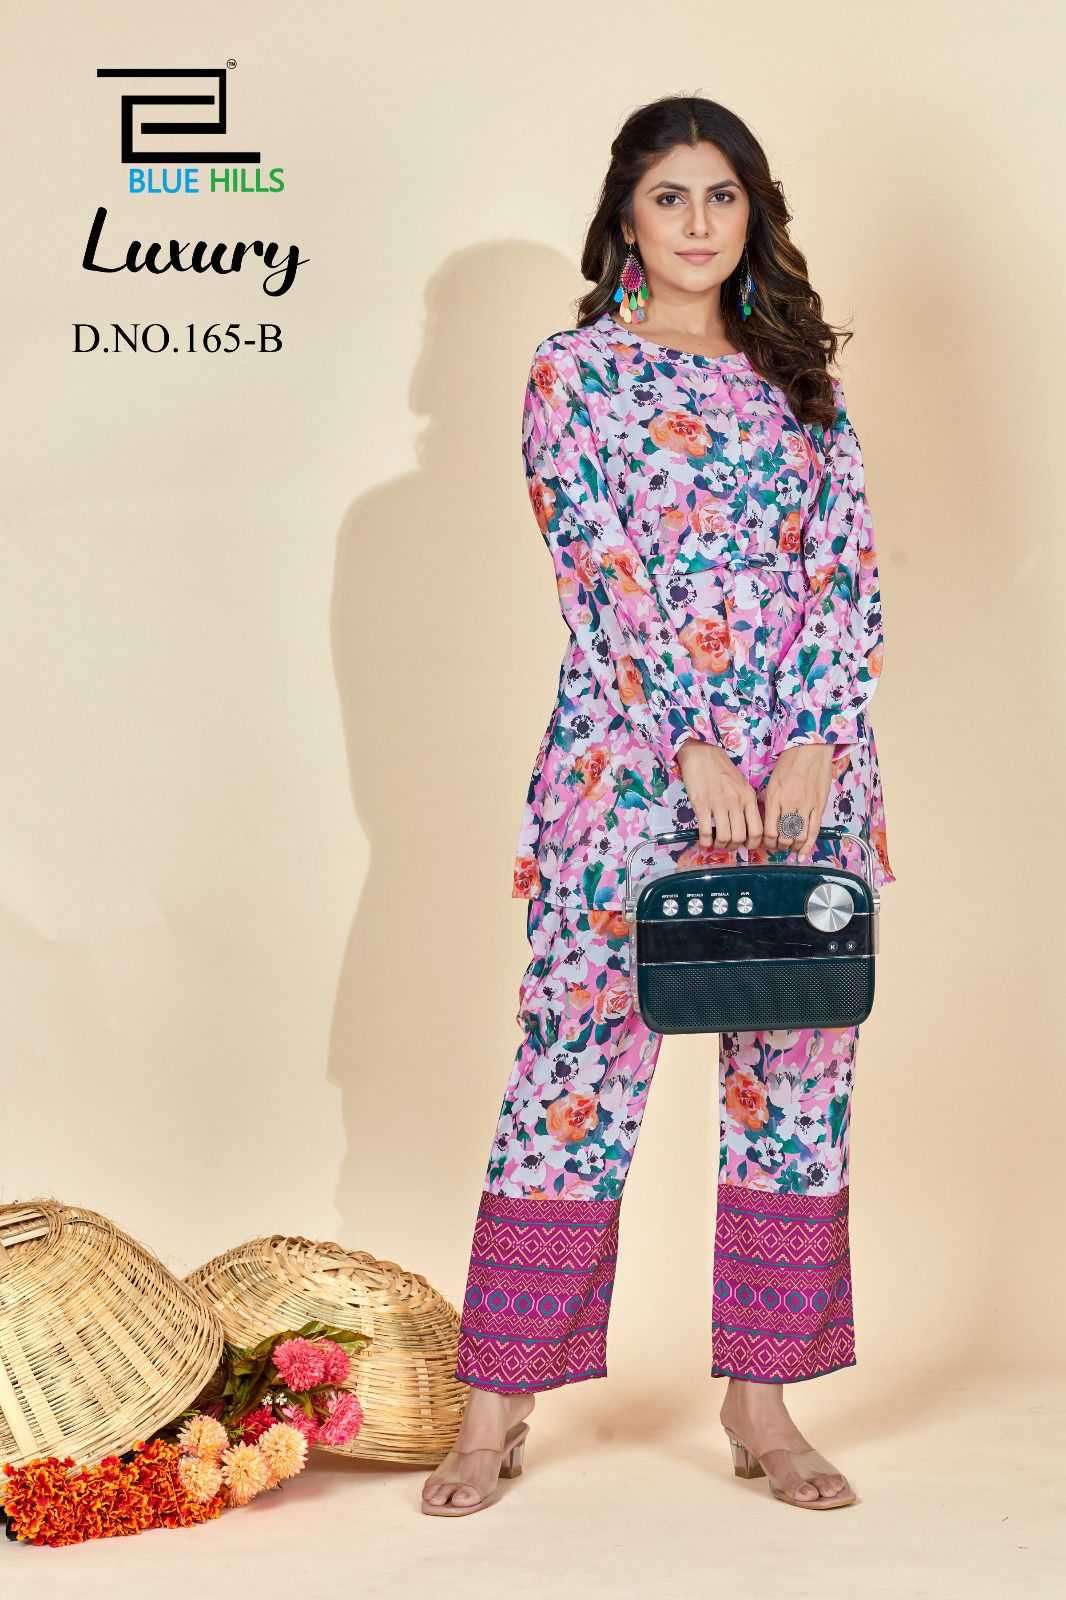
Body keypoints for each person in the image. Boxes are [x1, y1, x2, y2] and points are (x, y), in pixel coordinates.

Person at [422, 93, 896, 1517]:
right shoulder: (574, 375)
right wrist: (691, 743)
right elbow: (599, 571)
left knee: (795, 1079)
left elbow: (846, 571)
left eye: (723, 195)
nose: (699, 222)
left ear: (754, 215)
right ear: (625, 218)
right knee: (572, 1073)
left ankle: (765, 1400)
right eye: (671, 196)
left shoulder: (800, 382)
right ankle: (494, 1404)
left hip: (807, 776)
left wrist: (811, 745)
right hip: (630, 768)